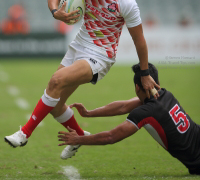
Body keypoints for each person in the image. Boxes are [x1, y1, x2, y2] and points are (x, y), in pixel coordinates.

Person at [4, 0, 159, 160]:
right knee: (56, 105)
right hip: (78, 46)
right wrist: (54, 11)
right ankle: (79, 135)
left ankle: (24, 133)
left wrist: (145, 72)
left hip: (101, 56)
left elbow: (139, 40)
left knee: (56, 81)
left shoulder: (126, 1)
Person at [57, 63, 200, 175]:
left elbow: (111, 137)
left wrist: (79, 139)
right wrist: (89, 113)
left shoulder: (145, 112)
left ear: (137, 87)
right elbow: (123, 106)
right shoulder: (165, 94)